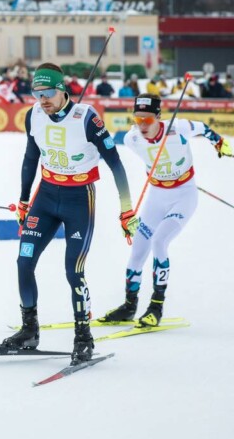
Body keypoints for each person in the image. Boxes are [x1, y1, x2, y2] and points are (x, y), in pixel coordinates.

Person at [1, 62, 137, 365]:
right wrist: (24, 201)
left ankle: (83, 337)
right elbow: (30, 158)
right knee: (24, 261)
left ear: (62, 89)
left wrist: (126, 209)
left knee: (73, 271)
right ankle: (29, 330)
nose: (43, 99)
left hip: (79, 199)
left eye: (48, 92)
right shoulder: (33, 115)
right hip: (46, 197)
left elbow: (116, 164)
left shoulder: (87, 118)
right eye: (38, 93)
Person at [98, 93, 232, 326]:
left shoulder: (178, 129)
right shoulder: (132, 139)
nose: (142, 126)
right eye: (137, 120)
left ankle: (156, 307)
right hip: (157, 197)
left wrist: (219, 143)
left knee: (160, 241)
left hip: (183, 196)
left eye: (147, 121)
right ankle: (129, 306)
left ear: (159, 117)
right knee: (139, 247)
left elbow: (204, 128)